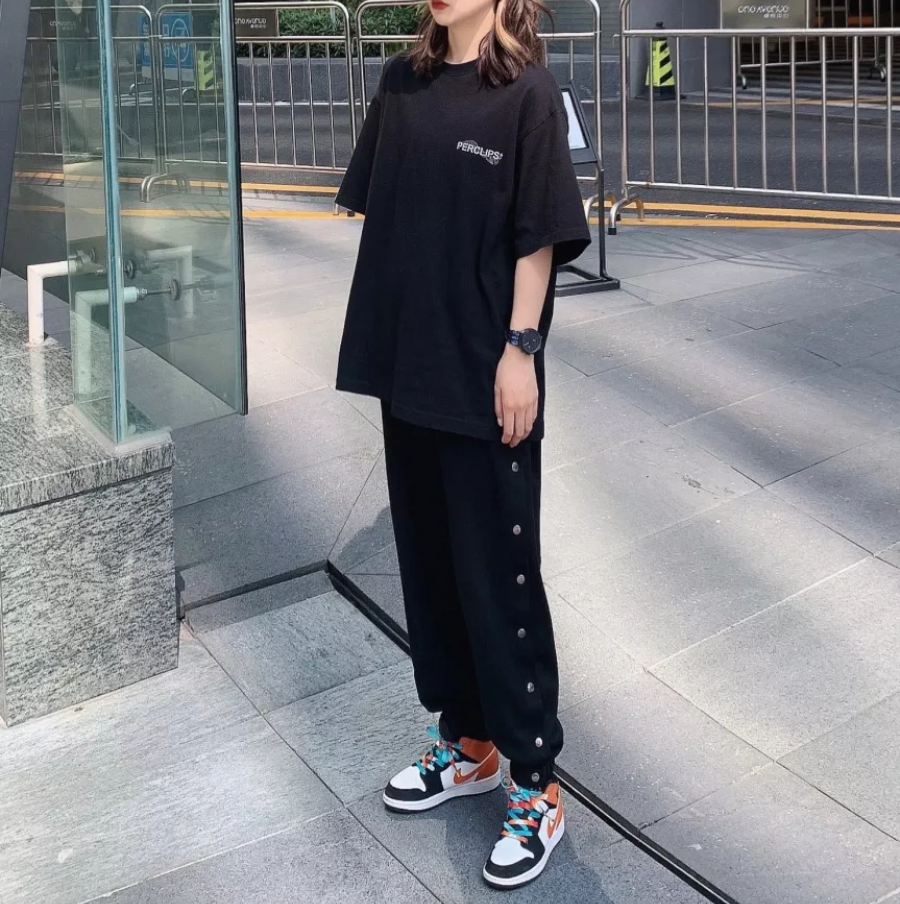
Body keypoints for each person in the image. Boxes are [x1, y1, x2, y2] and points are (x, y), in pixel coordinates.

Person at [335, 0, 590, 889]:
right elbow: (387, 214)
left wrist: (521, 349)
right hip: (410, 364)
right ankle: (468, 742)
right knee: (430, 565)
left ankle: (535, 783)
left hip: (487, 370)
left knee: (498, 575)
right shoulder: (401, 83)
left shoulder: (526, 92)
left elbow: (538, 238)